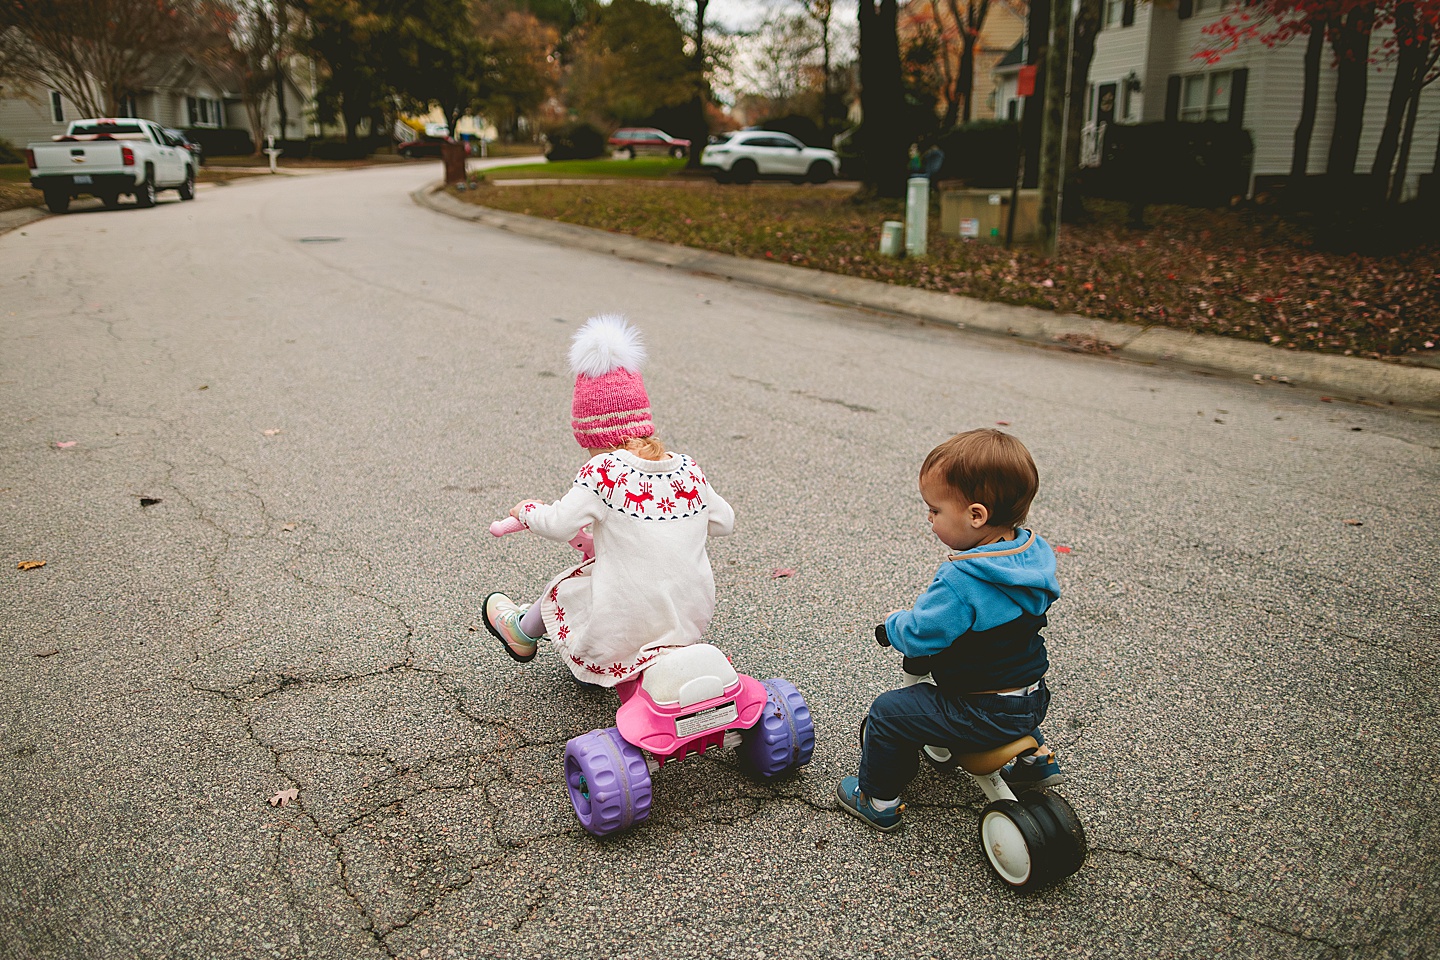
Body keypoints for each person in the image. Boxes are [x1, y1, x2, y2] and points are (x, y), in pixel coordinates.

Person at [483, 314, 735, 686]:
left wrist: (528, 510)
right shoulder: (687, 469)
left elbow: (559, 525)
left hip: (627, 621)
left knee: (568, 585)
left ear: (591, 435)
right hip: (690, 618)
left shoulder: (602, 471)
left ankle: (522, 631)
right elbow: (725, 521)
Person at [836, 428, 1065, 832]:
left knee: (888, 713)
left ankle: (878, 800)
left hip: (982, 712)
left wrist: (893, 626)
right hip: (1031, 699)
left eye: (935, 510)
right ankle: (1036, 760)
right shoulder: (1032, 555)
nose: (929, 518)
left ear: (976, 515)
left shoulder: (962, 580)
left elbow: (924, 632)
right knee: (1006, 666)